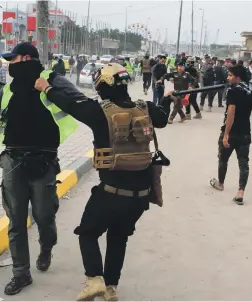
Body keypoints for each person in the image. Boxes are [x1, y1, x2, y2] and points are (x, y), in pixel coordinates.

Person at [0, 42, 78, 295]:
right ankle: (21, 273)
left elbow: (76, 104)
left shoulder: (54, 80)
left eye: (13, 59)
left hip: (44, 159)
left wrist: (49, 90)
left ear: (27, 59)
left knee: (44, 215)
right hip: (13, 160)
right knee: (16, 220)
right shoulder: (9, 88)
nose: (9, 64)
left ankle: (47, 246)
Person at [34, 62, 171, 301]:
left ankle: (94, 280)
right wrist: (168, 98)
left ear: (103, 85)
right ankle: (111, 288)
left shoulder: (99, 111)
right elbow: (162, 117)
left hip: (110, 193)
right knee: (118, 238)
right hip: (140, 196)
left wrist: (46, 88)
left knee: (87, 233)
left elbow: (69, 104)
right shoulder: (146, 108)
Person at [209, 64, 252, 205]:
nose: (228, 78)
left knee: (223, 158)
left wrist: (226, 134)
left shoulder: (233, 91)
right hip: (245, 132)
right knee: (243, 163)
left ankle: (220, 183)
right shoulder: (250, 92)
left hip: (232, 132)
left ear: (238, 77)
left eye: (230, 75)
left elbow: (231, 113)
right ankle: (240, 192)